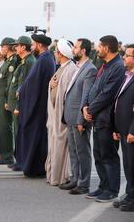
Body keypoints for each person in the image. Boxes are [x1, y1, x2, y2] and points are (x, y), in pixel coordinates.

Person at [82, 35, 126, 202]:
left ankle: (112, 189)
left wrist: (90, 110)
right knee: (99, 155)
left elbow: (107, 95)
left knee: (109, 156)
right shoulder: (105, 65)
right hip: (96, 118)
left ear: (107, 48)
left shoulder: (118, 67)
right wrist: (85, 106)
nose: (97, 49)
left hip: (106, 119)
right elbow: (93, 88)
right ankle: (103, 186)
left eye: (99, 46)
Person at [14, 33, 55, 177]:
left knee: (37, 138)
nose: (31, 47)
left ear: (39, 45)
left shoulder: (45, 60)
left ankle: (35, 168)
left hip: (37, 107)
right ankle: (29, 165)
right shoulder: (42, 59)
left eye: (33, 44)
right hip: (35, 105)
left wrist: (23, 91)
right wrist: (22, 89)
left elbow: (35, 85)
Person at [62, 38, 97, 195]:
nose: (73, 50)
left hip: (79, 118)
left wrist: (81, 120)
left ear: (83, 51)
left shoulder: (90, 69)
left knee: (82, 151)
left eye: (75, 47)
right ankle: (75, 178)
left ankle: (84, 183)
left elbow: (86, 97)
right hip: (70, 116)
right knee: (74, 150)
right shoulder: (78, 67)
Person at [45, 39, 76, 186]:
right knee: (53, 146)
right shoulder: (61, 67)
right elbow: (54, 86)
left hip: (62, 118)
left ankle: (60, 177)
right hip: (54, 117)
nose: (55, 54)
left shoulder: (71, 69)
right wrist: (51, 86)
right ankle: (53, 175)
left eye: (56, 52)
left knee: (61, 147)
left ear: (61, 54)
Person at [7, 36, 35, 170]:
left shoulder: (29, 62)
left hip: (21, 105)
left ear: (24, 47)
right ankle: (18, 159)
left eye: (17, 46)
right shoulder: (24, 61)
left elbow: (24, 86)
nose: (15, 48)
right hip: (16, 104)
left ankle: (21, 160)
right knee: (16, 133)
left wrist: (18, 106)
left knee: (20, 134)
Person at [112, 44, 134, 211]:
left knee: (132, 165)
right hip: (123, 129)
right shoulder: (127, 75)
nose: (124, 57)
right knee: (127, 165)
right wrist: (116, 128)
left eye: (127, 55)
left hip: (131, 131)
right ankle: (129, 194)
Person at [0, 37, 20, 165]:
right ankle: (5, 154)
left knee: (6, 128)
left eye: (2, 46)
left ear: (6, 47)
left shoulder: (12, 61)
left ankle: (8, 155)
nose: (1, 49)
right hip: (0, 99)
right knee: (3, 128)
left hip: (5, 99)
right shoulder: (7, 61)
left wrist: (5, 99)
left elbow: (10, 83)